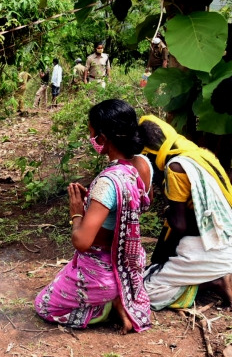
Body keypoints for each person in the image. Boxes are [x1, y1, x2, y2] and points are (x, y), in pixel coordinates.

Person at [35, 99, 152, 334]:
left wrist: (77, 211)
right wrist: (97, 204)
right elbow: (128, 208)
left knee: (43, 304)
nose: (92, 140)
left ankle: (105, 305)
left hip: (103, 272)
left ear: (103, 138)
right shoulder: (143, 164)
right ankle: (121, 299)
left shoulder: (107, 183)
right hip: (130, 267)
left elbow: (82, 241)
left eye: (92, 133)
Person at [139, 115, 232, 310]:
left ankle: (214, 281)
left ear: (149, 152)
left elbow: (179, 224)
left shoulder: (176, 167)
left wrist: (167, 210)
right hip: (225, 237)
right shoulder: (197, 153)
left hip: (209, 244)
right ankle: (211, 274)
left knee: (146, 292)